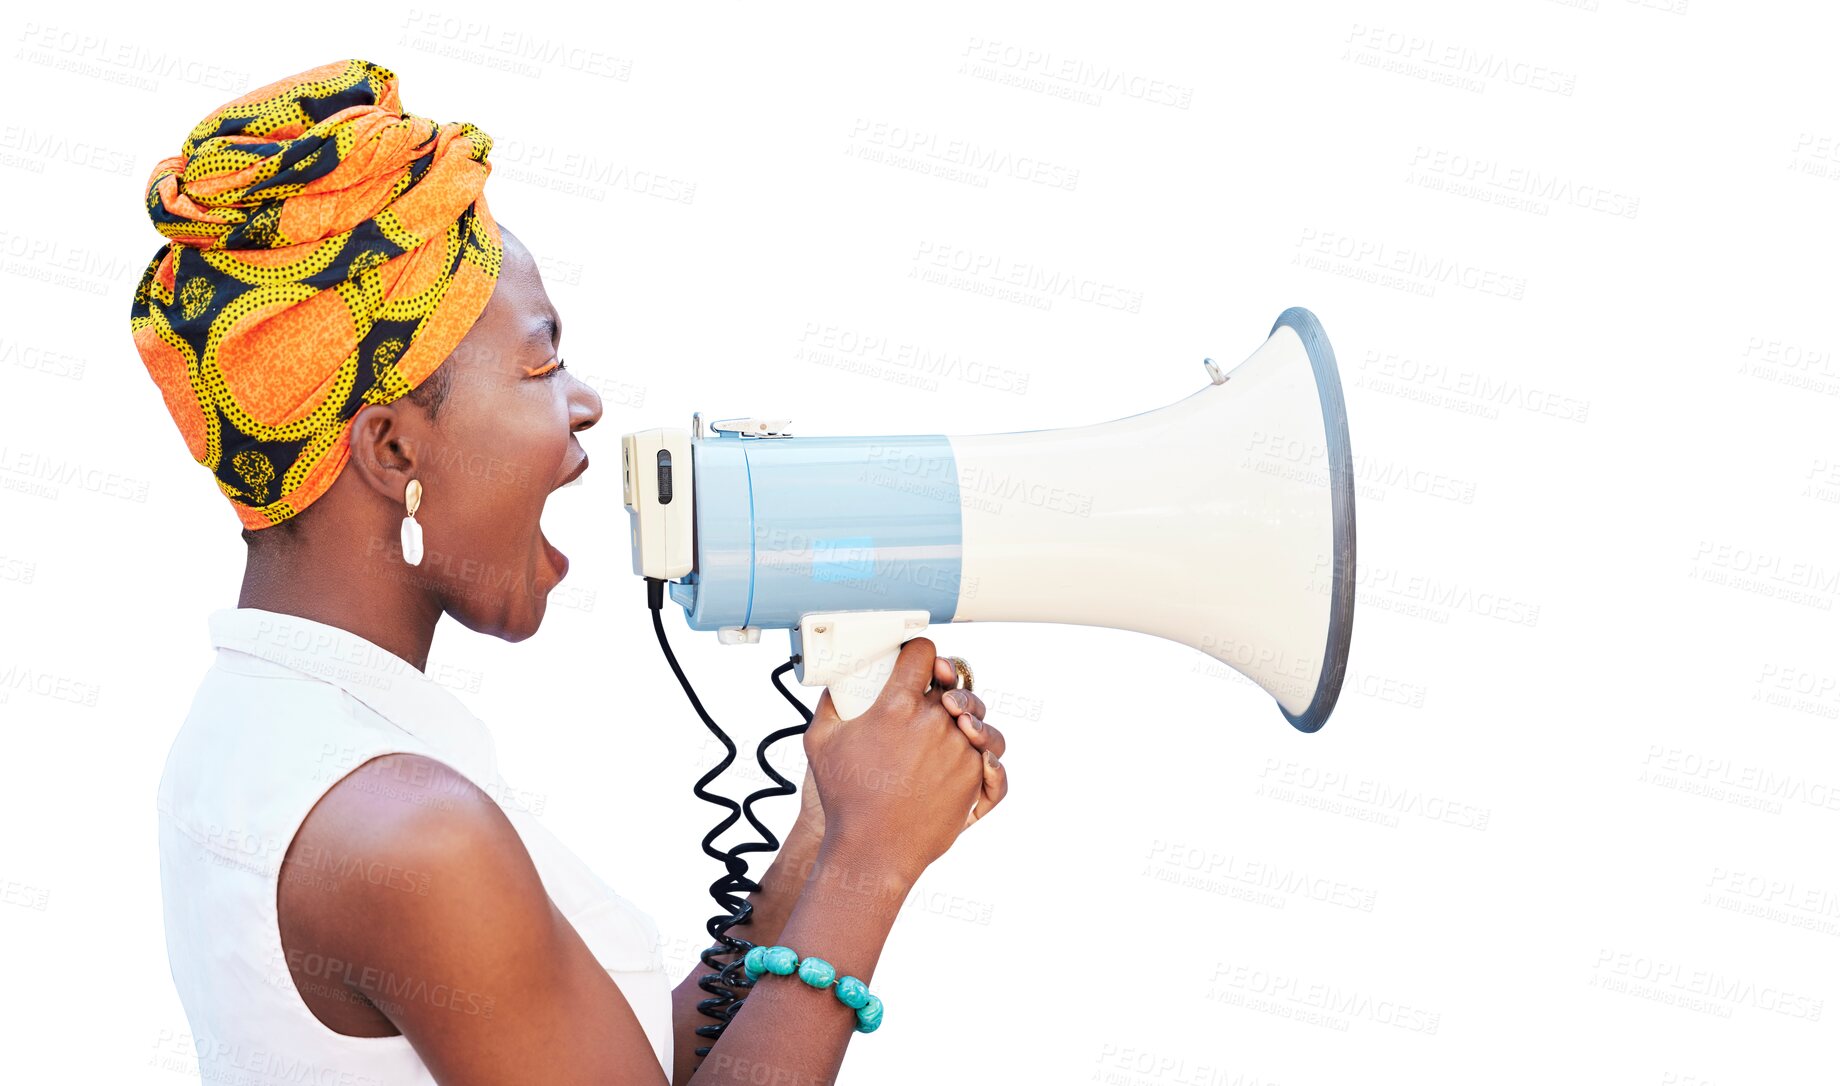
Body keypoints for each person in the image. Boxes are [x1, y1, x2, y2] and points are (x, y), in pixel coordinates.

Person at [135, 59, 1010, 1086]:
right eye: (542, 366)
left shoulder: (269, 731)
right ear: (393, 452)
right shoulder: (406, 833)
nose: (585, 403)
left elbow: (600, 1062)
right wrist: (869, 868)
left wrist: (817, 843)